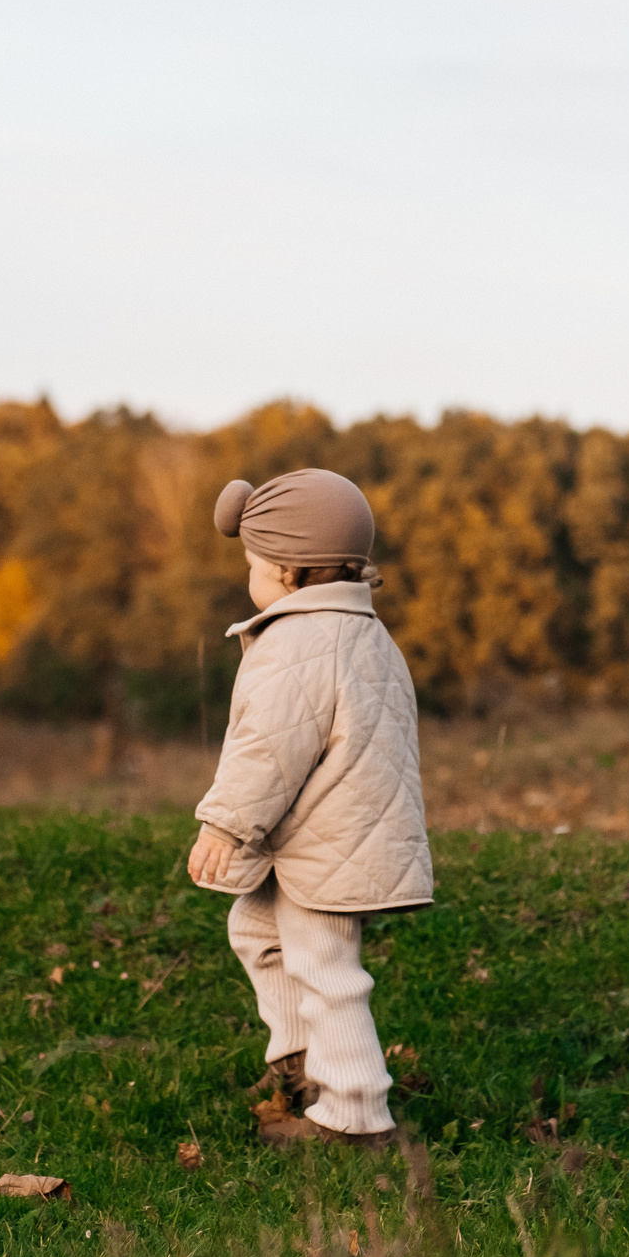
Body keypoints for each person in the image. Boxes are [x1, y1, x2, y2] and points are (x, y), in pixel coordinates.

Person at [185, 468, 432, 1146]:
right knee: (257, 931)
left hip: (326, 843)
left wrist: (224, 823)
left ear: (288, 571)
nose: (250, 577)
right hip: (331, 834)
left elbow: (270, 748)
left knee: (326, 968)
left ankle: (354, 1112)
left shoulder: (300, 642)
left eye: (253, 564)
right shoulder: (365, 633)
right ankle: (301, 1065)